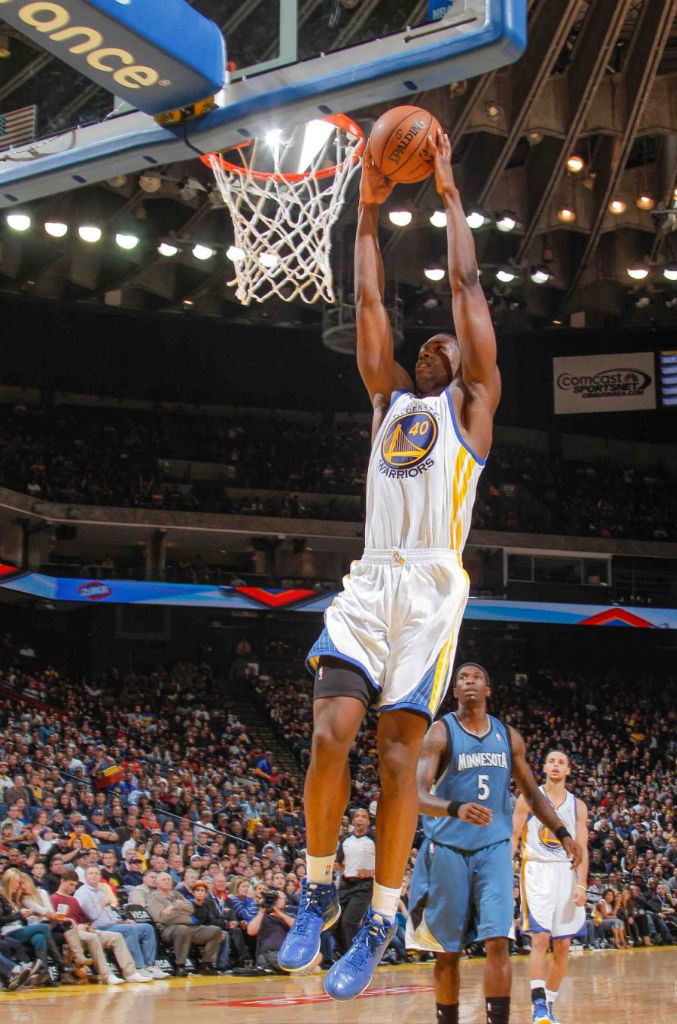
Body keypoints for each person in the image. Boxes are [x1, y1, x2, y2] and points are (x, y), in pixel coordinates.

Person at [278, 127, 501, 1003]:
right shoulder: (387, 401)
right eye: (432, 344)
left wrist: (447, 193)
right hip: (371, 579)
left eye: (452, 344)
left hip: (434, 585)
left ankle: (381, 916)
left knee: (399, 760)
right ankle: (317, 882)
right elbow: (369, 299)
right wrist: (367, 210)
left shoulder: (472, 409)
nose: (439, 346)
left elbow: (466, 284)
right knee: (330, 735)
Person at [405, 664, 581, 1024]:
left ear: (489, 689)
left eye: (476, 678)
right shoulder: (440, 732)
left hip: (494, 851)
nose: (469, 682)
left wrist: (563, 834)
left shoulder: (508, 736)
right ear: (454, 692)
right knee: (447, 953)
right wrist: (455, 808)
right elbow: (417, 795)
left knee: (499, 941)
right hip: (449, 851)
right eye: (462, 679)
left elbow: (533, 793)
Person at [513, 749, 589, 1024]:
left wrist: (582, 884)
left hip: (566, 874)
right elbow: (512, 837)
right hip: (536, 870)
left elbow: (583, 848)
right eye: (551, 762)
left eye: (561, 762)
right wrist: (506, 877)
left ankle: (550, 1006)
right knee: (540, 938)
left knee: (563, 944)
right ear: (543, 768)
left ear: (568, 770)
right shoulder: (528, 799)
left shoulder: (578, 805)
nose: (556, 766)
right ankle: (538, 1006)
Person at [333, 808, 375, 953]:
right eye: (357, 816)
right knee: (335, 923)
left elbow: (386, 865)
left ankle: (356, 954)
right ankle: (345, 953)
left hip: (364, 886)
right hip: (345, 884)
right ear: (353, 820)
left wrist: (370, 872)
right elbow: (339, 862)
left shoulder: (374, 840)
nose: (360, 819)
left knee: (349, 921)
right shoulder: (345, 839)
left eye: (364, 816)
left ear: (368, 822)